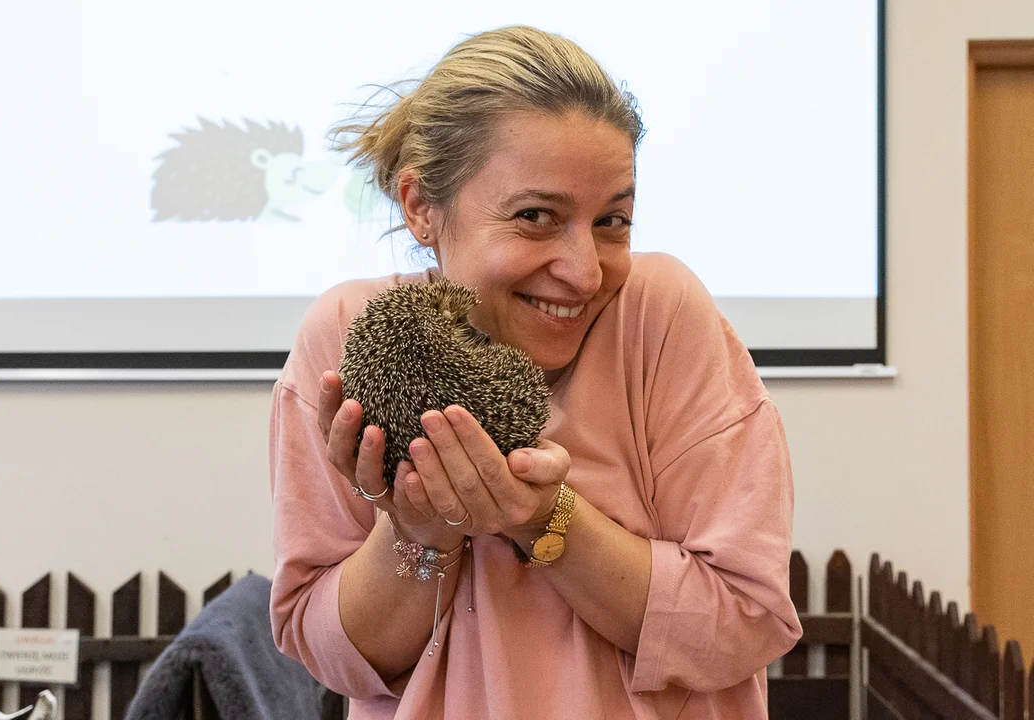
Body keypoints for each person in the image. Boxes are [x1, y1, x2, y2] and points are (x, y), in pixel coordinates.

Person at [269, 25, 801, 719]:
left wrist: (543, 518)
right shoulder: (347, 338)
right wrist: (419, 534)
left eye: (613, 221)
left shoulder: (659, 316)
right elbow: (331, 656)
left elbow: (743, 624)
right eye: (535, 216)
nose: (584, 274)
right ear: (421, 206)